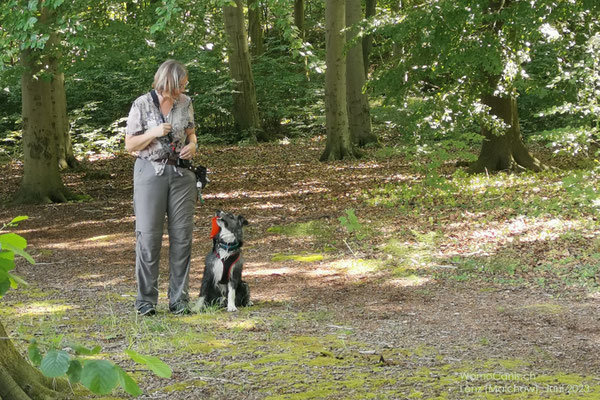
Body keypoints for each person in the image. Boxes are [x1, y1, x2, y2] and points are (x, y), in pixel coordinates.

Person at [125, 60, 197, 316]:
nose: (183, 88)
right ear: (168, 81)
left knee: (182, 238)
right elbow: (130, 145)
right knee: (148, 238)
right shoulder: (142, 104)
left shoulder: (185, 102)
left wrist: (193, 145)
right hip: (149, 173)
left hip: (181, 175)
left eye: (184, 85)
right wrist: (153, 132)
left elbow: (190, 133)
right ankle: (146, 302)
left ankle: (179, 301)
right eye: (180, 84)